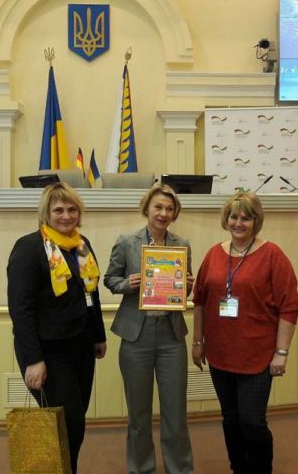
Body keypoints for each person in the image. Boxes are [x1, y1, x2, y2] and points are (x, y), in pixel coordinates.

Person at [192, 191, 298, 474]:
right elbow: (200, 301)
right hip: (220, 354)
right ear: (226, 219)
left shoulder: (272, 254)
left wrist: (281, 353)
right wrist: (197, 342)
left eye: (246, 218)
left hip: (257, 357)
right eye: (234, 217)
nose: (238, 223)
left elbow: (290, 306)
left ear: (256, 221)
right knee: (230, 419)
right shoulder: (214, 254)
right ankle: (238, 468)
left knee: (252, 422)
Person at [7, 182, 107, 473]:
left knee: (75, 420)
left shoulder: (81, 244)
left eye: (72, 209)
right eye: (59, 210)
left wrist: (98, 336)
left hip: (81, 346)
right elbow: (21, 310)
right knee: (67, 421)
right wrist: (33, 360)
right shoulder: (28, 248)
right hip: (47, 351)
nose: (66, 216)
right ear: (46, 213)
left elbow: (92, 293)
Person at [104, 183, 194, 474]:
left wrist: (186, 286)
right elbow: (109, 280)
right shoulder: (126, 242)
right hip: (136, 335)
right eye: (158, 207)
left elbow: (184, 290)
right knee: (138, 413)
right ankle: (141, 468)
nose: (163, 213)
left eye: (169, 208)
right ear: (147, 209)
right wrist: (127, 284)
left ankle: (179, 469)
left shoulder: (182, 245)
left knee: (176, 412)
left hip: (171, 336)